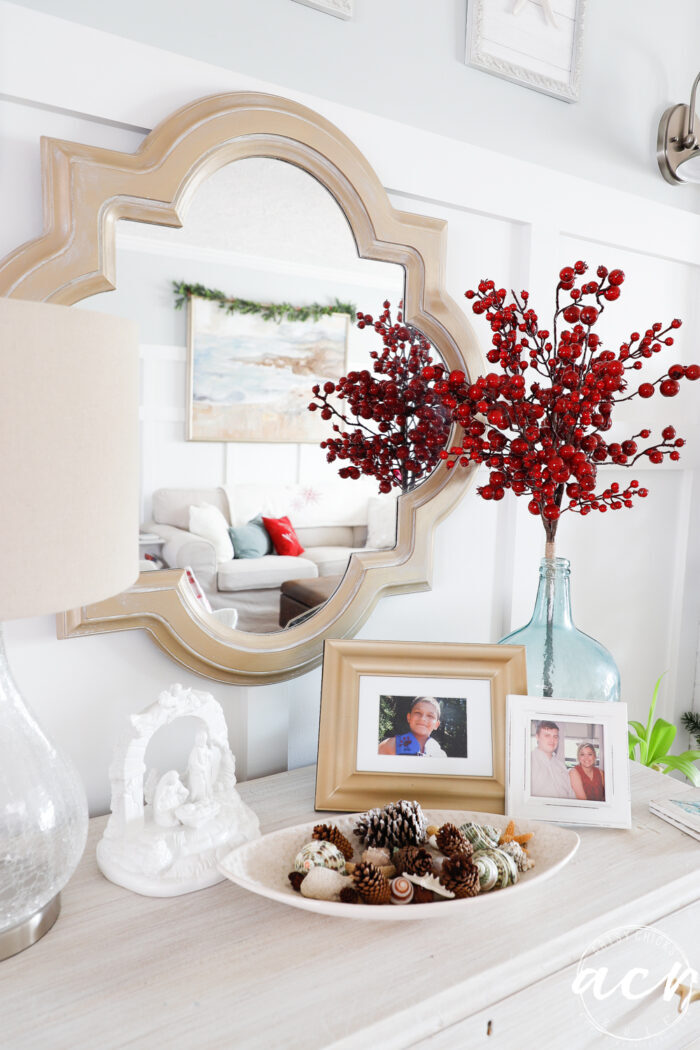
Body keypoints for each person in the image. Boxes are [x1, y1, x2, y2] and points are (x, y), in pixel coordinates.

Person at [378, 697, 447, 756]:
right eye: (418, 713)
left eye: (430, 716)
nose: (423, 718)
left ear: (436, 725)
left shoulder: (440, 754)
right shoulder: (390, 745)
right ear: (409, 717)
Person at [530, 720, 576, 799]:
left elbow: (571, 794)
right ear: (537, 737)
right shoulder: (528, 762)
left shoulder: (561, 766)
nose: (552, 740)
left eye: (555, 736)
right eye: (547, 735)